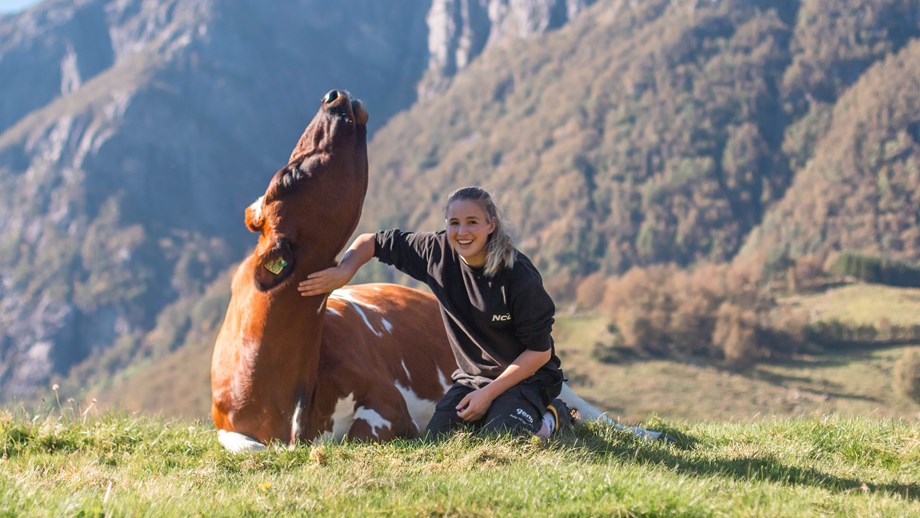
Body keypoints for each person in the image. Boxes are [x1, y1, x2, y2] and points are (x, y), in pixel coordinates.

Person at [297, 186, 569, 438]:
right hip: (473, 379)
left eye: (472, 222)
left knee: (502, 438)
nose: (462, 232)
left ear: (491, 225)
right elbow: (372, 242)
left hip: (527, 378)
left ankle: (553, 417)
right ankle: (499, 411)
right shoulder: (436, 253)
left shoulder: (518, 276)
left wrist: (488, 394)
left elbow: (540, 351)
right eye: (454, 223)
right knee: (439, 439)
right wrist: (345, 271)